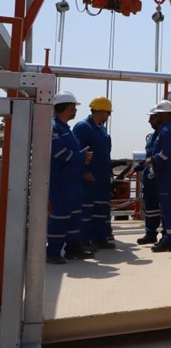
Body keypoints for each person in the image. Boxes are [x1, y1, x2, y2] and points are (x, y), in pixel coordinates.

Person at [47, 91, 94, 264]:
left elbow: (71, 153)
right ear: (67, 107)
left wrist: (83, 157)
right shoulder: (54, 127)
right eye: (74, 107)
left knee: (75, 216)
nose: (76, 110)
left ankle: (72, 247)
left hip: (73, 182)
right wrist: (81, 156)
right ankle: (53, 252)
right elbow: (59, 153)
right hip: (61, 182)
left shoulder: (66, 128)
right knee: (60, 217)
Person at [73, 96, 115, 250]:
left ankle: (99, 238)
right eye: (108, 113)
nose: (109, 116)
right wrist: (85, 172)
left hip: (102, 176)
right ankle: (83, 241)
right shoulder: (83, 127)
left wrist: (109, 170)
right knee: (86, 209)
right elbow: (77, 151)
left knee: (101, 209)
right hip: (89, 177)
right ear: (102, 111)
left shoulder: (100, 129)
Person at [146, 100, 171, 252]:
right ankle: (170, 236)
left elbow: (166, 153)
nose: (156, 117)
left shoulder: (167, 131)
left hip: (169, 175)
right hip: (169, 174)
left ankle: (170, 239)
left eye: (158, 114)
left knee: (168, 208)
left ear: (164, 114)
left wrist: (153, 160)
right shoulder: (170, 129)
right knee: (169, 207)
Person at [134, 105, 162, 245]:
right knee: (150, 206)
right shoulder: (153, 136)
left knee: (165, 207)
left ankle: (168, 236)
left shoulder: (165, 134)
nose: (149, 121)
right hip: (150, 176)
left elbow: (165, 155)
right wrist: (140, 165)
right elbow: (149, 155)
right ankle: (150, 233)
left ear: (159, 117)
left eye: (152, 118)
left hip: (160, 176)